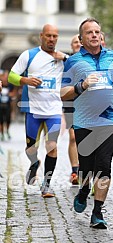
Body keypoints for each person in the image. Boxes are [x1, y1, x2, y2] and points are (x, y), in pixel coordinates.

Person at [61, 18, 113, 229]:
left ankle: (97, 211)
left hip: (109, 120)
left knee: (104, 166)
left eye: (97, 31)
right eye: (89, 32)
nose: (95, 35)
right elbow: (63, 93)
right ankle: (83, 190)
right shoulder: (73, 61)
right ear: (81, 39)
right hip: (84, 122)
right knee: (87, 168)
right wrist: (82, 85)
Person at [8, 24, 66, 198]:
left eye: (55, 36)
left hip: (54, 111)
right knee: (30, 148)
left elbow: (80, 66)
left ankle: (46, 185)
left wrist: (67, 58)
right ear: (41, 36)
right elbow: (12, 76)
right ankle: (34, 163)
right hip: (33, 110)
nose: (51, 39)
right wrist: (25, 80)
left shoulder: (63, 58)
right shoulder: (29, 55)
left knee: (52, 147)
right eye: (48, 36)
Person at [63, 34, 81, 185]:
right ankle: (75, 171)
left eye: (79, 42)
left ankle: (87, 168)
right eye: (75, 42)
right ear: (71, 46)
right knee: (74, 136)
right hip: (71, 102)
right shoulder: (67, 61)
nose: (78, 44)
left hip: (88, 102)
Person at [0, 70, 14, 141]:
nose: (5, 78)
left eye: (6, 76)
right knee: (1, 120)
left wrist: (10, 94)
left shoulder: (10, 85)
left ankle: (7, 131)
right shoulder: (0, 84)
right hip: (0, 104)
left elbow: (13, 93)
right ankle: (2, 134)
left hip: (8, 104)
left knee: (8, 120)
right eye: (4, 76)